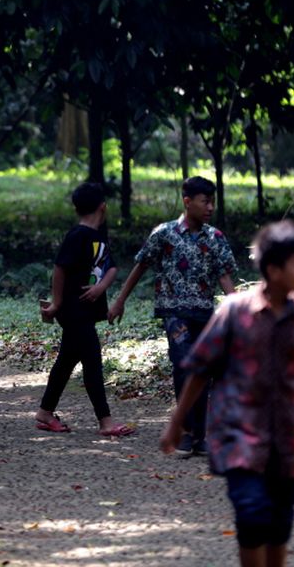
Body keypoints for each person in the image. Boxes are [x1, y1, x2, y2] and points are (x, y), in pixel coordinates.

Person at [160, 220, 294, 567]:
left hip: (286, 438)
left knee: (280, 522)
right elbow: (200, 369)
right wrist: (178, 423)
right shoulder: (234, 312)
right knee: (252, 516)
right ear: (273, 269)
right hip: (239, 436)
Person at [108, 175, 235, 456]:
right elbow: (140, 266)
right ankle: (187, 431)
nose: (210, 207)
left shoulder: (215, 238)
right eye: (205, 201)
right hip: (174, 312)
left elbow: (224, 277)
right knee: (183, 365)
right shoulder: (164, 234)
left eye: (213, 202)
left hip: (204, 313)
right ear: (187, 202)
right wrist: (119, 301)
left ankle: (200, 435)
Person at [35, 182, 134, 437]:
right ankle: (106, 421)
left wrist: (101, 288)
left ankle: (45, 413)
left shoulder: (98, 237)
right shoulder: (77, 235)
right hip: (73, 310)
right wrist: (57, 304)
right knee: (92, 363)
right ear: (103, 207)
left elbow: (111, 268)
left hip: (87, 310)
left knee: (66, 361)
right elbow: (59, 269)